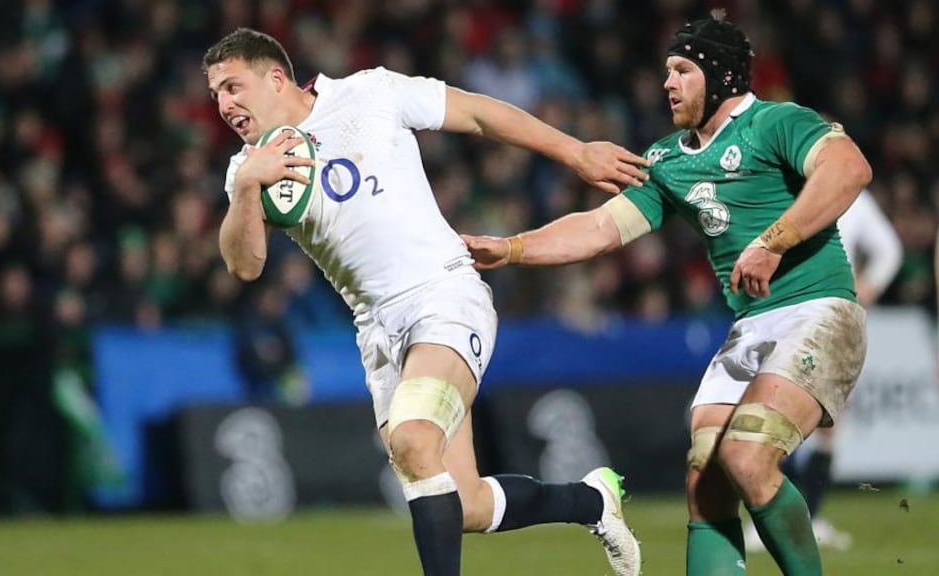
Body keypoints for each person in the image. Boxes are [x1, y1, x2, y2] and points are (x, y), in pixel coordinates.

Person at [203, 28, 649, 576]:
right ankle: (591, 501)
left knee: (414, 441)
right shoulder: (247, 169)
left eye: (232, 86)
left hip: (444, 293)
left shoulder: (370, 92)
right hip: (378, 332)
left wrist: (575, 150)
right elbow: (244, 266)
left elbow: (480, 114)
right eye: (216, 94)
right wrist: (248, 187)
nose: (224, 104)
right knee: (462, 505)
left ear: (275, 77)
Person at [462, 11, 872, 576]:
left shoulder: (777, 122)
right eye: (667, 70)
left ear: (721, 74)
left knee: (747, 456)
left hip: (819, 309)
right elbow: (601, 227)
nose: (667, 83)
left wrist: (774, 241)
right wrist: (509, 249)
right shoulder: (668, 160)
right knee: (706, 475)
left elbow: (849, 168)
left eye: (682, 70)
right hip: (753, 326)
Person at [745, 188, 902, 552]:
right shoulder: (783, 189)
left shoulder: (849, 197)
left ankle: (806, 517)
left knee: (818, 418)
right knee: (784, 414)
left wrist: (867, 289)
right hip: (787, 313)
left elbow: (888, 249)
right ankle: (778, 519)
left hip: (820, 316)